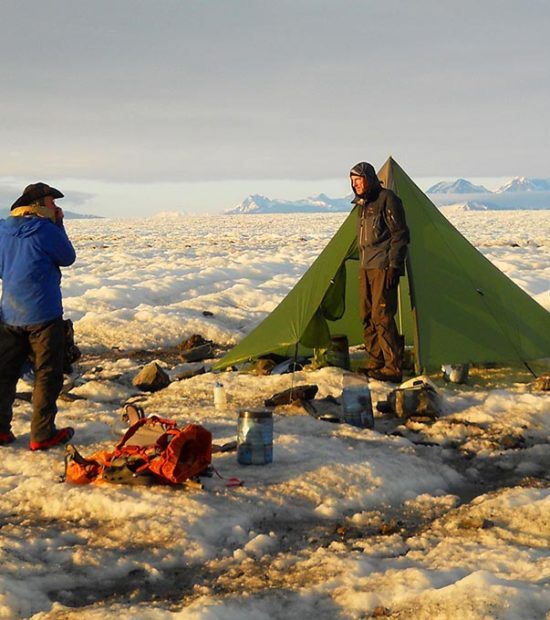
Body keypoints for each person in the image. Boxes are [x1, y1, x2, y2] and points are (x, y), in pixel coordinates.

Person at [0, 182, 76, 449]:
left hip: (10, 313)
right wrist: (58, 225)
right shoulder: (45, 229)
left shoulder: (2, 228)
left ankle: (0, 430)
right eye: (52, 202)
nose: (56, 207)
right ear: (39, 205)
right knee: (47, 373)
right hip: (43, 314)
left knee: (5, 372)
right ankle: (42, 434)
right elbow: (67, 257)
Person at [350, 162, 410, 383]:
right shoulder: (363, 204)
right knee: (366, 315)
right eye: (353, 182)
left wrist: (395, 265)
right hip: (365, 266)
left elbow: (400, 234)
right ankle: (375, 362)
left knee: (382, 315)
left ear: (369, 178)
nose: (356, 185)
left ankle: (393, 366)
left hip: (383, 266)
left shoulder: (387, 199)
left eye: (359, 180)